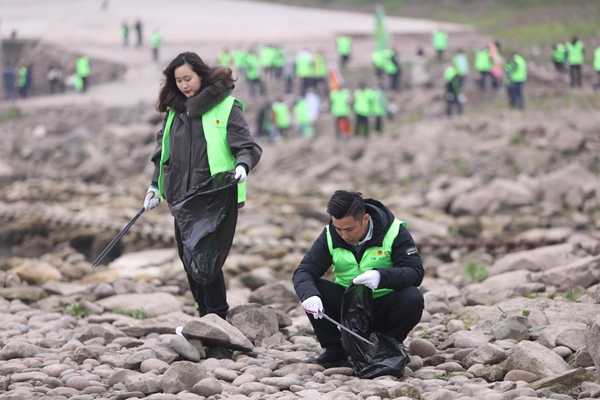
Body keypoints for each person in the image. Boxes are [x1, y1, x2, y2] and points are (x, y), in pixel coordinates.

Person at [143, 52, 262, 319]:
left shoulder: (226, 106)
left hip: (211, 197)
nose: (184, 85)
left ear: (201, 75)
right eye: (178, 81)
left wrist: (242, 166)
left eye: (188, 78)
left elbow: (247, 146)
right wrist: (155, 187)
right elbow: (162, 153)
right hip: (180, 198)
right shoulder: (174, 110)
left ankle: (217, 316)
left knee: (206, 261)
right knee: (188, 257)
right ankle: (204, 315)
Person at [293, 190, 424, 368]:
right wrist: (309, 296)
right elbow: (304, 271)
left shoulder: (394, 231)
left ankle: (390, 347)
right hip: (349, 306)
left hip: (384, 307)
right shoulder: (330, 235)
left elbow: (415, 272)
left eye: (349, 229)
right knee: (312, 288)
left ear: (365, 219)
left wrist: (381, 276)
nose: (344, 236)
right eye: (338, 228)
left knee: (412, 297)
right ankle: (335, 351)